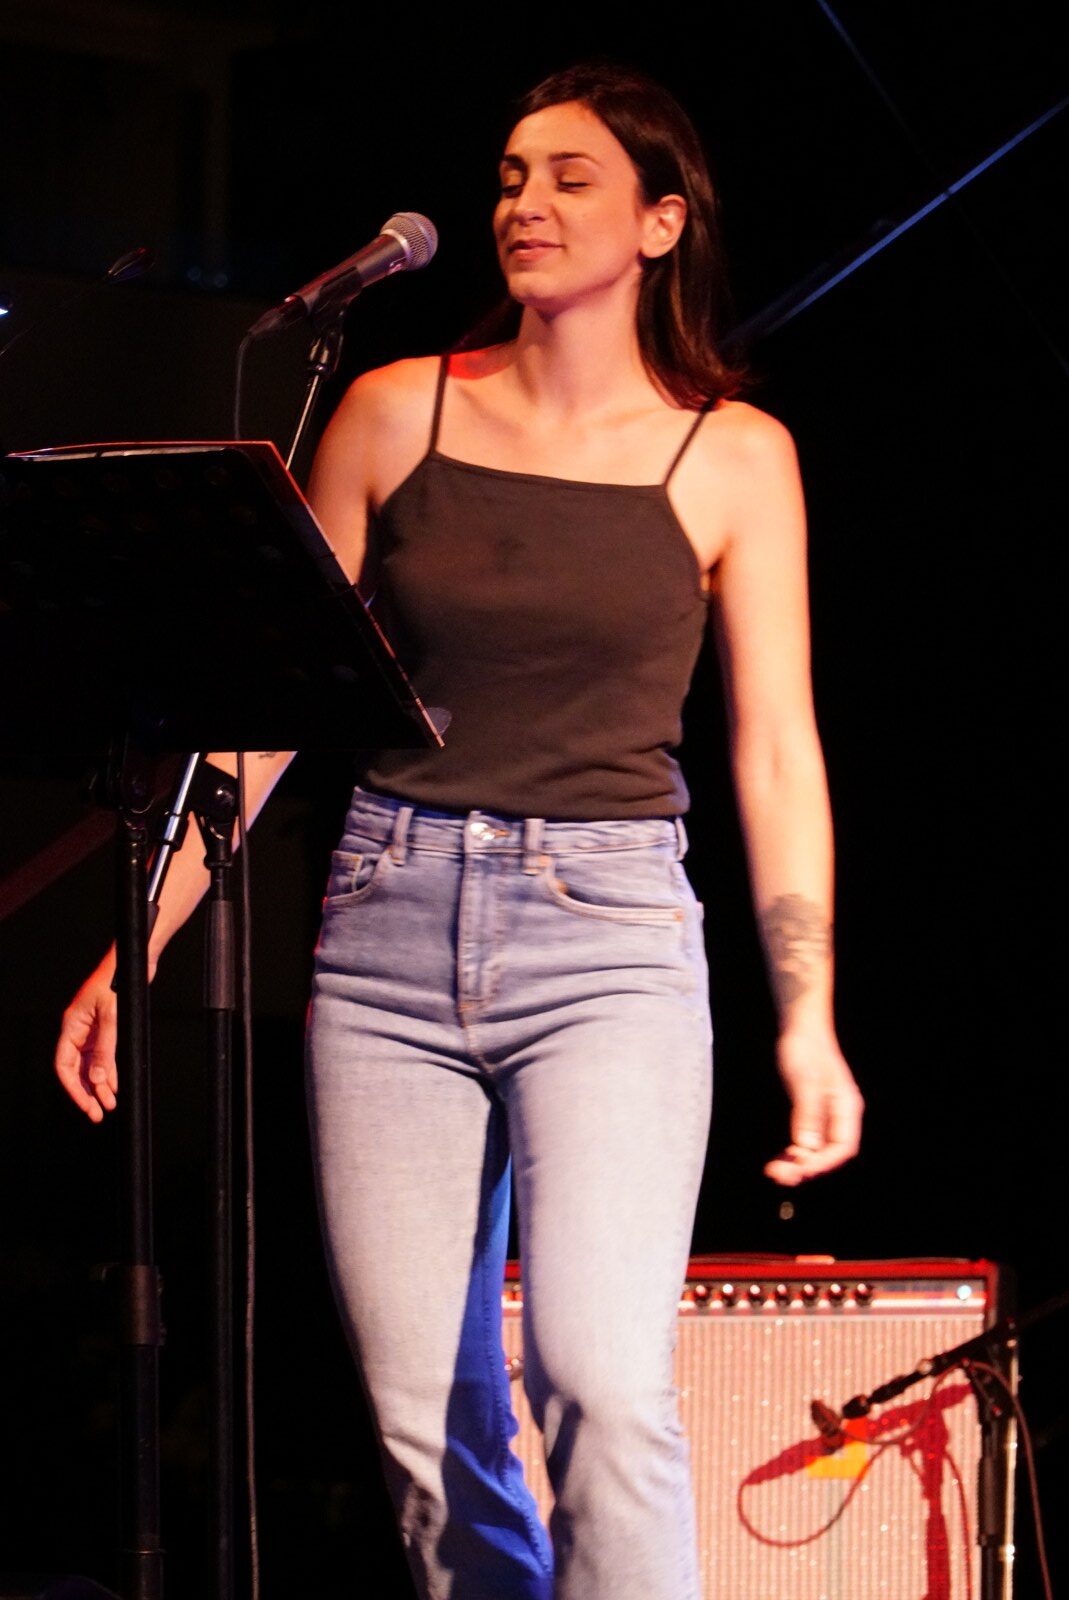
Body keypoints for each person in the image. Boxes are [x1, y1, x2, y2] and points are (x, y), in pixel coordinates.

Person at [55, 62, 863, 1600]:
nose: (524, 204)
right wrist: (134, 938)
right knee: (428, 1425)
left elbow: (774, 749)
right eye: (508, 176)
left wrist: (807, 1016)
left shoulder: (733, 454)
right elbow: (264, 715)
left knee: (598, 1379)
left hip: (607, 940)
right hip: (386, 928)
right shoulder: (391, 409)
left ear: (660, 222)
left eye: (568, 177)